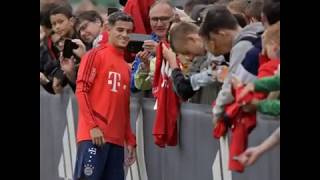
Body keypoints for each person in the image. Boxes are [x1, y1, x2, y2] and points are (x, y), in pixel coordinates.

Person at [74, 11, 136, 180]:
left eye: (128, 31)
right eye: (120, 30)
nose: (124, 35)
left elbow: (123, 106)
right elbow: (81, 90)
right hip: (94, 137)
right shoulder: (95, 55)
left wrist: (129, 138)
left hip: (116, 142)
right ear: (108, 29)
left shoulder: (125, 66)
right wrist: (93, 127)